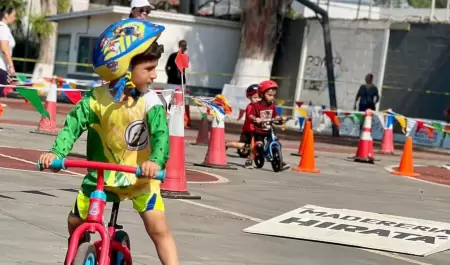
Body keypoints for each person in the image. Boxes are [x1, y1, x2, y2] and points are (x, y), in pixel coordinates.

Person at [38, 19, 179, 265]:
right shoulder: (94, 100)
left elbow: (160, 136)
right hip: (100, 178)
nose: (154, 75)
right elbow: (72, 127)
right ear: (123, 69)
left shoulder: (150, 102)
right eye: (148, 68)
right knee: (75, 223)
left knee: (158, 228)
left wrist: (155, 162)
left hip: (140, 178)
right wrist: (55, 153)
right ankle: (83, 255)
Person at [248, 80, 290, 171]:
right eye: (269, 95)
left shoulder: (272, 106)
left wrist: (281, 118)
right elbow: (250, 115)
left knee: (276, 143)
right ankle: (250, 161)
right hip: (259, 130)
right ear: (262, 94)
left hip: (269, 129)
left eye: (273, 95)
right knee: (258, 145)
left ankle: (279, 161)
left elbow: (275, 115)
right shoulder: (256, 105)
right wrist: (256, 119)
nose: (272, 97)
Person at [225, 84, 260, 169]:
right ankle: (226, 144)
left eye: (259, 97)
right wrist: (255, 118)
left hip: (259, 130)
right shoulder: (250, 107)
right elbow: (249, 116)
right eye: (255, 97)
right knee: (241, 145)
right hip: (249, 130)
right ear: (249, 97)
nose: (258, 99)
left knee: (256, 145)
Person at [0, 7, 16, 97]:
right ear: (6, 15)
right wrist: (11, 66)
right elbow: (4, 48)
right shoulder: (3, 28)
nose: (14, 18)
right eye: (13, 15)